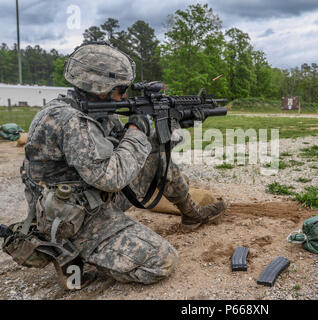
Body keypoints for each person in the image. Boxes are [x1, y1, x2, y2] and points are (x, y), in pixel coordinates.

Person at [20, 41, 226, 288]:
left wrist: (170, 124)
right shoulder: (72, 121)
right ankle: (68, 253)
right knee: (161, 261)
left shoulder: (92, 110)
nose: (125, 95)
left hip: (92, 197)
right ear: (99, 87)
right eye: (121, 89)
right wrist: (138, 128)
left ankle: (192, 215)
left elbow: (128, 149)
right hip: (72, 218)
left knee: (158, 158)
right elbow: (111, 177)